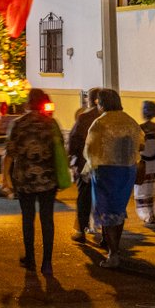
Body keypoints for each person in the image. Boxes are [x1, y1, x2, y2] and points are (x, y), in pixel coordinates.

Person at [0, 88, 63, 276]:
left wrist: (5, 179)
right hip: (48, 178)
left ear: (27, 103)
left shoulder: (18, 124)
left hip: (25, 178)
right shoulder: (51, 123)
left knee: (28, 219)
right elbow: (59, 150)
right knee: (47, 219)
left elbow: (9, 154)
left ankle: (30, 259)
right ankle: (47, 262)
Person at [82, 88, 144, 268]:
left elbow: (90, 149)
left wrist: (89, 166)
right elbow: (140, 144)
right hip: (127, 172)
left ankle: (113, 253)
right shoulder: (130, 121)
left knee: (107, 213)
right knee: (118, 212)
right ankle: (114, 249)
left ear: (102, 103)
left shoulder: (100, 123)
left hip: (106, 172)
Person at [67, 87, 102, 243]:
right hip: (106, 164)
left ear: (91, 100)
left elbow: (73, 140)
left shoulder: (84, 118)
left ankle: (81, 229)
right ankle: (106, 233)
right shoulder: (108, 117)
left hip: (85, 163)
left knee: (84, 197)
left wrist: (71, 156)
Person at [134, 100, 155, 224]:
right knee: (151, 188)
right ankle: (151, 212)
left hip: (142, 163)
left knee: (141, 190)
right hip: (154, 164)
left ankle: (146, 215)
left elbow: (136, 146)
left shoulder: (139, 128)